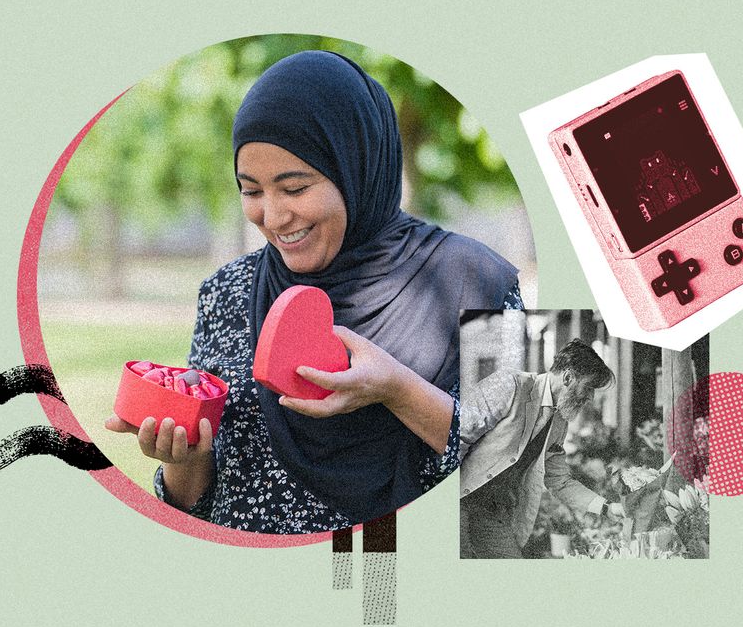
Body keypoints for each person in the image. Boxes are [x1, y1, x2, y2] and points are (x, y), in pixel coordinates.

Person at [104, 50, 522, 534]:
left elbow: (533, 480)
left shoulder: (478, 284)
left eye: (295, 188)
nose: (274, 217)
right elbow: (200, 506)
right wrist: (185, 459)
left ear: (357, 167)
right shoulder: (226, 292)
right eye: (252, 191)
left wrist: (397, 390)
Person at [458, 339, 622, 558]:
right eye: (589, 387)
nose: (590, 397)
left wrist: (607, 508)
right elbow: (454, 436)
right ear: (568, 378)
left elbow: (559, 481)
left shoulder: (559, 422)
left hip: (493, 512)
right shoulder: (511, 385)